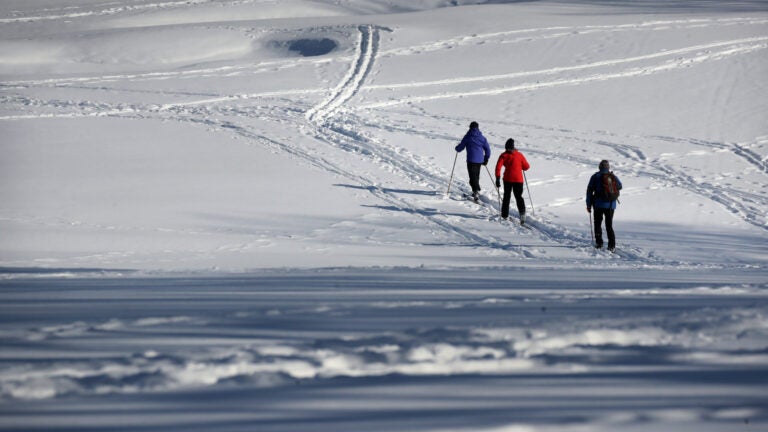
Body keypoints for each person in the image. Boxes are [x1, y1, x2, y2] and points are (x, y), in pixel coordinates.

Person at [586, 160, 623, 251]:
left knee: (598, 223)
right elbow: (620, 186)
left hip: (598, 204)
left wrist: (588, 205)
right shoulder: (613, 176)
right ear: (608, 167)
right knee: (609, 225)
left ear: (599, 167)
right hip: (611, 205)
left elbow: (589, 191)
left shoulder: (595, 176)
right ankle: (611, 245)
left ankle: (599, 243)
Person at [495, 138, 530, 224]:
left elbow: (498, 167)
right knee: (518, 196)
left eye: (508, 148)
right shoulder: (519, 155)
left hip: (508, 179)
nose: (507, 150)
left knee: (507, 196)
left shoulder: (504, 155)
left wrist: (498, 178)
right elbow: (526, 167)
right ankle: (522, 214)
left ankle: (504, 215)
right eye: (507, 148)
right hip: (517, 180)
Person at [455, 121, 491, 202]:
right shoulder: (482, 138)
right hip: (480, 160)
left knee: (472, 176)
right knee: (476, 175)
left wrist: (457, 148)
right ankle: (476, 190)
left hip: (471, 160)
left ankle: (475, 191)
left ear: (470, 127)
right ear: (478, 128)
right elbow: (488, 149)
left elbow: (461, 147)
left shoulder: (468, 136)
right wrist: (486, 158)